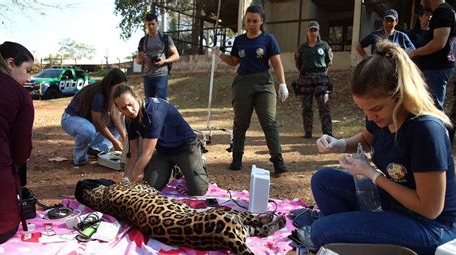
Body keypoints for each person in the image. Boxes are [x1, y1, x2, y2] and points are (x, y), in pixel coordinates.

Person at [311, 40, 456, 255]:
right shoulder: (382, 118)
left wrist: (373, 175)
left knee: (322, 232)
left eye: (376, 109)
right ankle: (355, 242)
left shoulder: (425, 130)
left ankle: (354, 250)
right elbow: (367, 140)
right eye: (363, 110)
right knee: (323, 180)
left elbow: (430, 209)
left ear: (400, 96)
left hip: (432, 227)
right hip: (397, 205)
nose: (370, 117)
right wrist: (338, 144)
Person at [214, 4, 288, 174]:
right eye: (248, 20)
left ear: (261, 21)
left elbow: (276, 63)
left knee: (269, 122)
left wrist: (282, 83)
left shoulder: (268, 39)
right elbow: (234, 61)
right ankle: (237, 156)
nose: (251, 24)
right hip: (242, 83)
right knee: (240, 122)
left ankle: (277, 159)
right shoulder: (239, 40)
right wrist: (219, 54)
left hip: (264, 83)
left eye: (255, 21)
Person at [112, 83, 208, 196]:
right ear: (118, 109)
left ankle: (196, 165)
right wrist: (126, 179)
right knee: (150, 188)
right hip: (163, 151)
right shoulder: (129, 119)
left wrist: (132, 180)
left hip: (186, 147)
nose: (130, 110)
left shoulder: (153, 111)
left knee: (198, 190)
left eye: (130, 104)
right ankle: (174, 168)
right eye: (124, 108)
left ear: (136, 98)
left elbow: (146, 153)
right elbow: (133, 152)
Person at [0, 41, 35, 245]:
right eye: (28, 71)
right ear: (11, 63)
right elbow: (21, 153)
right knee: (0, 230)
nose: (29, 78)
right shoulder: (21, 96)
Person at [61, 68, 127, 166]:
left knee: (122, 120)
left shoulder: (112, 93)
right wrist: (115, 142)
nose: (120, 90)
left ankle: (96, 148)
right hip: (71, 119)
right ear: (111, 84)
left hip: (89, 122)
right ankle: (80, 159)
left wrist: (125, 139)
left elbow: (116, 117)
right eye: (118, 87)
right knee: (87, 130)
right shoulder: (99, 94)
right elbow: (98, 122)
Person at [408, 0, 455, 111]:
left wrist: (414, 52)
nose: (420, 3)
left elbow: (438, 43)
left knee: (433, 108)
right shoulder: (445, 11)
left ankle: (435, 128)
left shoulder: (443, 11)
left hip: (436, 68)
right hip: (436, 68)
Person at [295, 21, 333, 139]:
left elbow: (329, 61)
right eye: (311, 30)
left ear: (318, 31)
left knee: (324, 106)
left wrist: (323, 73)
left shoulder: (324, 46)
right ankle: (308, 132)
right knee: (306, 107)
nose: (313, 32)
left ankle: (327, 132)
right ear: (307, 32)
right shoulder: (302, 48)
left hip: (321, 78)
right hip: (306, 79)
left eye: (315, 30)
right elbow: (298, 62)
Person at [135, 13, 180, 100]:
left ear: (157, 24)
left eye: (153, 24)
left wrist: (164, 61)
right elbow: (138, 61)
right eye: (148, 24)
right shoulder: (143, 40)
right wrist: (139, 58)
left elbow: (176, 55)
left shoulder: (165, 38)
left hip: (161, 74)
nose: (151, 26)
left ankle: (163, 114)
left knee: (161, 101)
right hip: (147, 75)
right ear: (145, 25)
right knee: (149, 103)